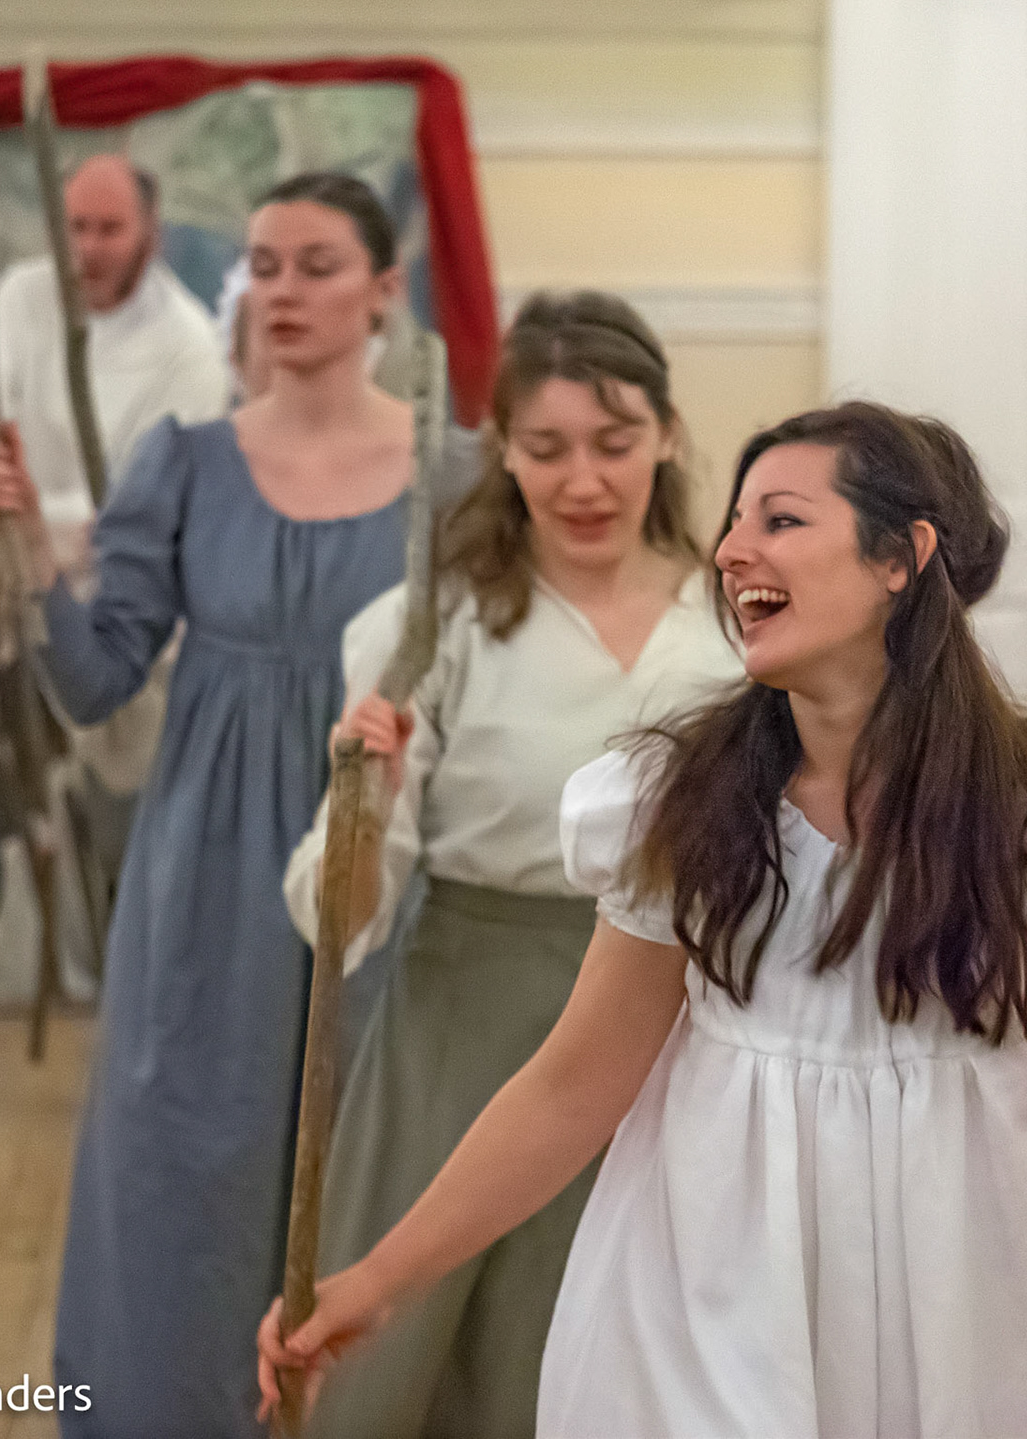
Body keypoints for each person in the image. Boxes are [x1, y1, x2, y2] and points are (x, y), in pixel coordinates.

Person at [260, 402, 1027, 1439]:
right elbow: (573, 1084)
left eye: (780, 519)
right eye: (733, 523)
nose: (732, 550)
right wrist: (377, 1280)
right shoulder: (676, 799)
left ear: (902, 558)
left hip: (953, 1304)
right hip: (708, 1285)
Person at [0, 171, 432, 1438]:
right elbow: (94, 679)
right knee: (188, 1169)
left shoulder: (455, 473)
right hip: (210, 877)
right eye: (264, 265)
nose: (283, 290)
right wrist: (27, 552)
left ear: (383, 289)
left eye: (318, 265)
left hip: (385, 861)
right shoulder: (182, 461)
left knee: (371, 1162)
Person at [280, 290, 744, 1438]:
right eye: (546, 448)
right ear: (502, 453)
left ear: (668, 436)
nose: (583, 479)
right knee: (423, 1364)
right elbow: (339, 918)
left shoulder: (736, 627)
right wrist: (365, 796)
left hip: (683, 1037)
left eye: (614, 442)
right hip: (467, 1035)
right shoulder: (429, 628)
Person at [0, 154, 229, 1085]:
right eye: (75, 228)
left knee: (124, 828)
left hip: (124, 624)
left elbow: (149, 510)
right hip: (12, 610)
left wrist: (37, 510)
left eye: (108, 230)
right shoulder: (22, 297)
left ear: (151, 233)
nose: (86, 249)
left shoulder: (188, 348)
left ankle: (147, 1043)